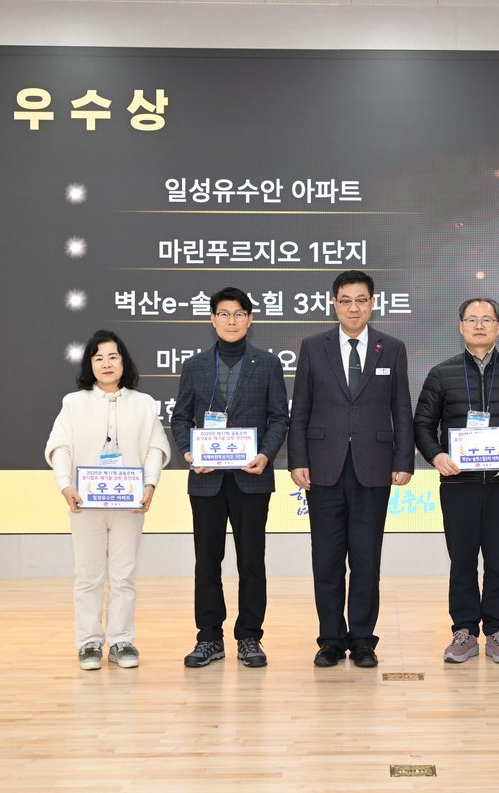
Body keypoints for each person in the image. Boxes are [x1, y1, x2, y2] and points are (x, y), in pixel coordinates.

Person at [288, 270, 414, 668]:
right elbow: (301, 406)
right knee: (326, 560)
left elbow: (401, 407)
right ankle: (330, 639)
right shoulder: (313, 347)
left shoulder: (391, 348)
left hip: (373, 468)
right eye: (345, 300)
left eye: (361, 300)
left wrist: (403, 459)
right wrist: (297, 459)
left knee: (366, 559)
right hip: (322, 467)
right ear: (334, 304)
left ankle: (362, 640)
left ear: (372, 303)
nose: (353, 307)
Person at [414, 298, 499, 665]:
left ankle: (498, 631)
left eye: (487, 319)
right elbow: (422, 424)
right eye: (471, 319)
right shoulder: (442, 374)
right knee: (462, 559)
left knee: (498, 559)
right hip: (458, 483)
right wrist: (436, 456)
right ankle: (464, 631)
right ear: (461, 326)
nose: (479, 325)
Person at [171, 288, 290, 670]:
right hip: (206, 480)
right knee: (206, 562)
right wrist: (189, 453)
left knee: (252, 562)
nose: (232, 320)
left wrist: (265, 454)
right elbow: (180, 417)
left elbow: (279, 417)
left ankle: (249, 636)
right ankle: (209, 638)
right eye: (224, 314)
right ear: (212, 319)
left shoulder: (267, 364)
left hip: (250, 477)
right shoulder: (195, 365)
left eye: (239, 314)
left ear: (250, 319)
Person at [45, 330, 171, 671]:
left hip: (129, 505)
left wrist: (150, 484)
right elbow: (60, 447)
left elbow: (155, 448)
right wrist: (65, 485)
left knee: (123, 575)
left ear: (123, 361)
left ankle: (120, 640)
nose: (106, 363)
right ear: (89, 364)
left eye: (113, 356)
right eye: (98, 357)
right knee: (88, 575)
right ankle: (88, 642)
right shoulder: (73, 403)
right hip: (85, 503)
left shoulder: (143, 404)